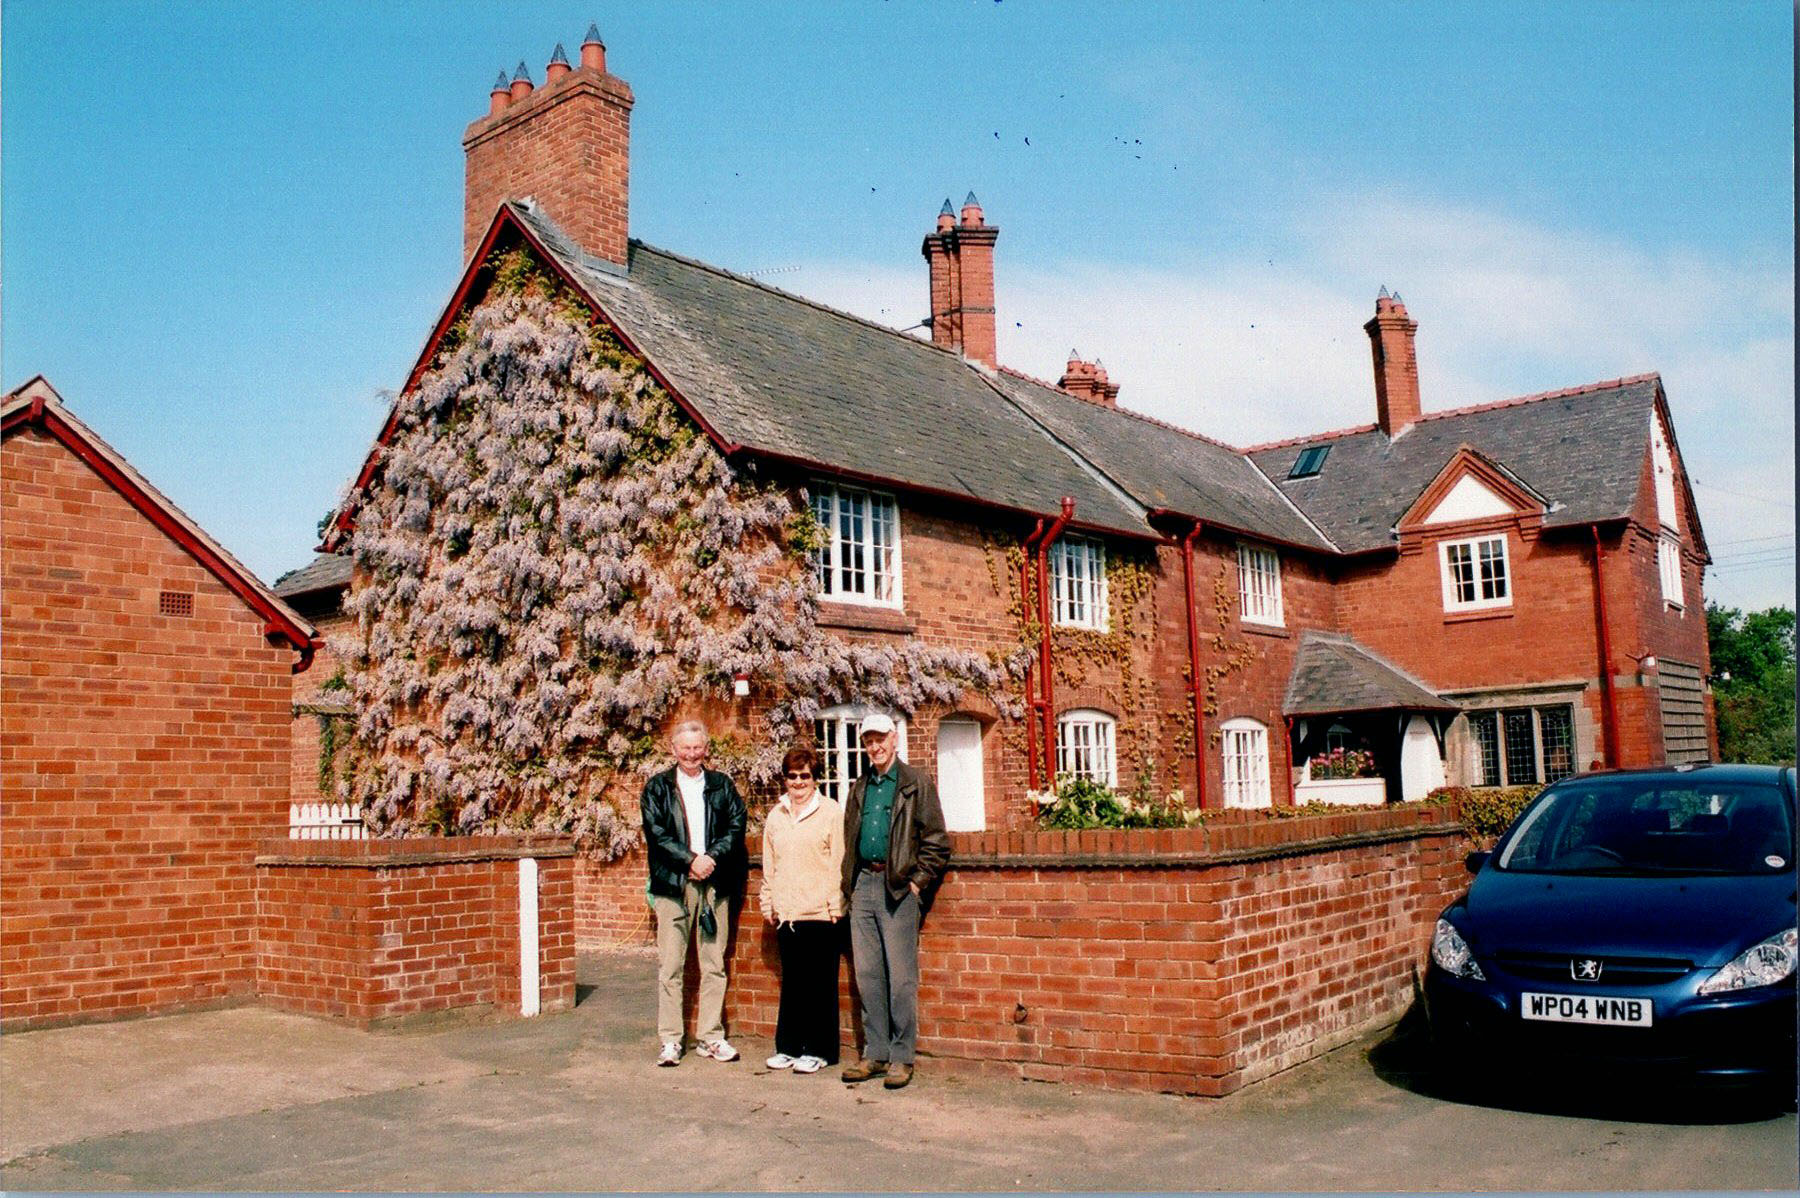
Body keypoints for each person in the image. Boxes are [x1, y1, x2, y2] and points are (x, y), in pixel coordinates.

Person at [839, 713, 949, 1089]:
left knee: (901, 978)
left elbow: (937, 841)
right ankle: (875, 1052)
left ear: (894, 739)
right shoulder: (860, 786)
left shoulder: (915, 783)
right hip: (863, 885)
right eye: (868, 741)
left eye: (880, 739)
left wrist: (917, 884)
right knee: (868, 975)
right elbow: (850, 836)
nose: (875, 747)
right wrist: (850, 884)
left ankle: (901, 1058)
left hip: (898, 887)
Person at [640, 718, 747, 1066]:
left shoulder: (721, 785)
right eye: (685, 748)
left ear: (706, 749)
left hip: (714, 883)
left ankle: (711, 1037)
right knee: (671, 965)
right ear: (673, 749)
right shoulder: (657, 788)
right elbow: (657, 834)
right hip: (674, 885)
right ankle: (671, 1040)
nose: (691, 754)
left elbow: (736, 825)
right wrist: (690, 861)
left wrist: (710, 858)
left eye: (697, 748)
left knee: (714, 963)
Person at [759, 746, 845, 1075]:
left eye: (805, 776)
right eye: (792, 776)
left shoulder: (830, 812)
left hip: (820, 912)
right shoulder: (776, 816)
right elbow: (770, 865)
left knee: (820, 985)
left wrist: (836, 903)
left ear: (815, 778)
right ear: (785, 779)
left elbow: (838, 862)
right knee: (793, 984)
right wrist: (768, 901)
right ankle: (789, 1047)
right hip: (787, 914)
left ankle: (820, 1050)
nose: (798, 782)